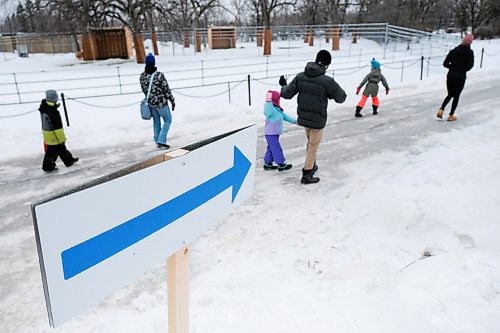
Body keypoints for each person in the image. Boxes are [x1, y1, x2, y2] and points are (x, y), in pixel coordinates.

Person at [279, 49, 346, 184]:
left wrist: (283, 85)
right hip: (317, 120)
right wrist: (330, 94)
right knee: (313, 146)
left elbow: (286, 94)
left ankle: (312, 164)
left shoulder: (300, 76)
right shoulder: (327, 81)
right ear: (327, 65)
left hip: (303, 118)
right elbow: (341, 97)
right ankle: (307, 173)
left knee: (311, 144)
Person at [140, 53, 176, 148]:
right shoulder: (159, 75)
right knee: (168, 120)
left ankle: (157, 140)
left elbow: (144, 90)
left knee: (156, 121)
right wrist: (172, 100)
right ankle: (161, 140)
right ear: (154, 63)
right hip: (161, 103)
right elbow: (166, 89)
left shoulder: (142, 76)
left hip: (151, 104)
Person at [437, 33, 474, 121]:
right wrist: (462, 69)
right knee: (456, 96)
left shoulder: (453, 51)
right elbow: (470, 65)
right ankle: (451, 115)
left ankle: (441, 110)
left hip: (450, 76)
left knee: (450, 94)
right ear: (470, 42)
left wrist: (452, 67)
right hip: (460, 77)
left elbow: (445, 63)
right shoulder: (469, 52)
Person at [39, 89, 79, 172]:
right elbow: (58, 129)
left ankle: (69, 161)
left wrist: (54, 106)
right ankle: (48, 167)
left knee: (61, 149)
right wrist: (61, 139)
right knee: (52, 152)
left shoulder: (44, 107)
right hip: (53, 135)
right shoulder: (53, 112)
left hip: (47, 133)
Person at [263, 90, 296, 171]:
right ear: (274, 100)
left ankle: (268, 163)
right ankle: (281, 163)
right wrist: (268, 101)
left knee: (271, 147)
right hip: (270, 133)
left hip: (274, 133)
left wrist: (296, 121)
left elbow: (286, 117)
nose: (279, 100)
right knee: (276, 148)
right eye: (278, 99)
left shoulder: (278, 110)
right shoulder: (271, 110)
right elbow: (268, 111)